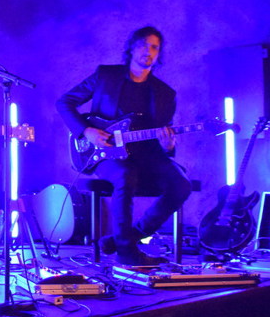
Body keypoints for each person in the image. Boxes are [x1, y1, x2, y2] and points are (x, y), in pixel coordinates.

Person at [56, 25, 192, 266]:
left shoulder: (165, 93)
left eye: (154, 47)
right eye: (143, 44)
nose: (148, 51)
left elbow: (164, 140)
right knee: (125, 174)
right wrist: (87, 131)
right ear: (131, 47)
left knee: (181, 185)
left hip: (148, 157)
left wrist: (168, 145)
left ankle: (125, 238)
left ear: (159, 54)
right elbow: (64, 102)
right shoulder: (105, 76)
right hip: (106, 154)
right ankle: (127, 252)